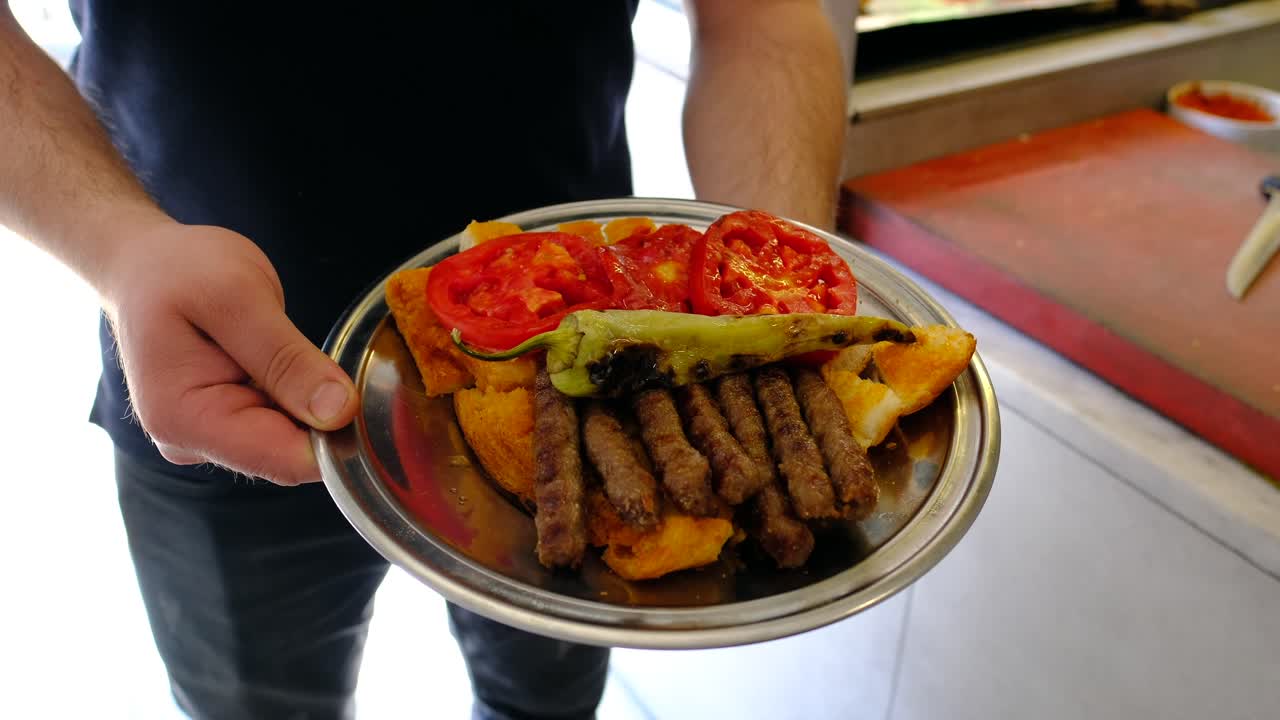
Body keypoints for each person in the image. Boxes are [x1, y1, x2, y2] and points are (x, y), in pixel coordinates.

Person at [0, 1, 848, 718]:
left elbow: (761, 18)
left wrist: (767, 307)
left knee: (543, 707)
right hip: (215, 370)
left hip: (590, 400)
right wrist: (118, 246)